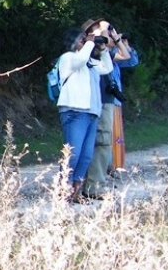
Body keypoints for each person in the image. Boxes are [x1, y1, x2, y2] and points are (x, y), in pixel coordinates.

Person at [80, 19, 139, 198]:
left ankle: (92, 184)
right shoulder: (89, 50)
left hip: (105, 100)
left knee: (103, 142)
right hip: (98, 101)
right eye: (99, 29)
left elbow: (129, 57)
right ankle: (91, 186)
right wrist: (105, 30)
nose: (106, 32)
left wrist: (118, 39)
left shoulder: (104, 51)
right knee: (99, 142)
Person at [56, 25, 113, 203]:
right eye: (82, 39)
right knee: (73, 154)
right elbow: (79, 60)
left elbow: (107, 68)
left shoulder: (89, 62)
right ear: (73, 42)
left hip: (91, 113)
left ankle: (76, 193)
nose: (86, 42)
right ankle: (63, 192)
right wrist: (89, 42)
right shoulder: (68, 58)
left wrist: (103, 50)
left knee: (86, 155)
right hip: (74, 111)